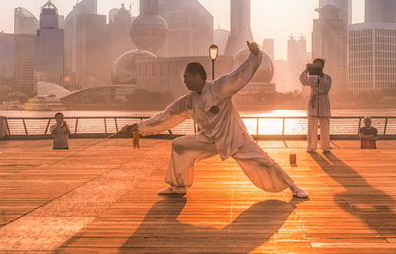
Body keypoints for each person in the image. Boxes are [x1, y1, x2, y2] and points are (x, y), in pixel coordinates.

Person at [118, 41, 308, 199]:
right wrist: (138, 128)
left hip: (235, 139)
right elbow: (164, 117)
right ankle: (178, 186)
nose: (184, 81)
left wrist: (254, 56)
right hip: (208, 139)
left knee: (264, 161)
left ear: (198, 77)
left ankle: (293, 187)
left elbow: (239, 75)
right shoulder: (188, 100)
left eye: (186, 77)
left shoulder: (219, 87)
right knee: (179, 145)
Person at [300, 58, 332, 153]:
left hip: (323, 103)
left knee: (325, 126)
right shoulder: (311, 77)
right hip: (313, 102)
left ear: (322, 66)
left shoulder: (327, 77)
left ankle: (325, 146)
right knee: (311, 126)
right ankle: (311, 146)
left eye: (319, 65)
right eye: (316, 65)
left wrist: (321, 77)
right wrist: (306, 70)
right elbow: (303, 81)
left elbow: (326, 88)